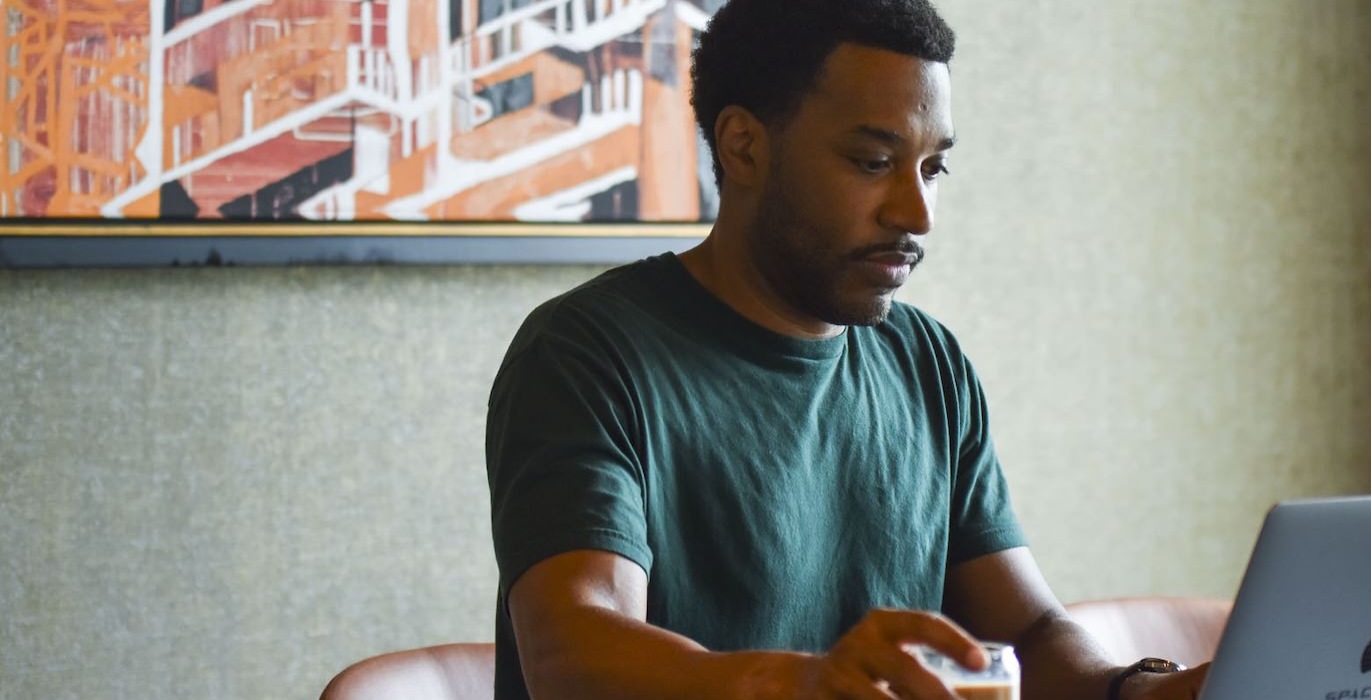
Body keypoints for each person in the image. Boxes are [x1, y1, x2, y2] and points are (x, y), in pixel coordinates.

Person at [485, 0, 1210, 697]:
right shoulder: (586, 354)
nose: (917, 214)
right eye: (873, 161)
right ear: (744, 146)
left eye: (932, 168)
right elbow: (573, 655)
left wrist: (1145, 691)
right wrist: (803, 684)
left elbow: (1026, 635)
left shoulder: (927, 362)